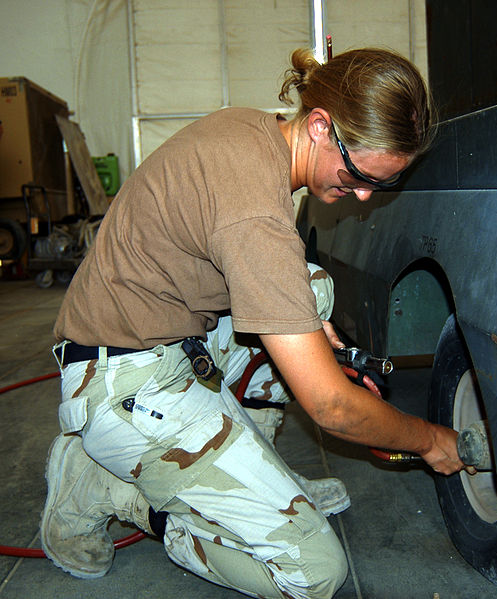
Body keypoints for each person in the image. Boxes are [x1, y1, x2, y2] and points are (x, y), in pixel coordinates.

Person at [40, 47, 467, 599]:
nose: (363, 195)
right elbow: (332, 408)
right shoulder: (254, 215)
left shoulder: (254, 134)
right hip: (122, 384)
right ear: (319, 126)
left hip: (165, 338)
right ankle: (109, 489)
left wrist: (313, 337)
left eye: (381, 185)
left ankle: (255, 470)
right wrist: (430, 440)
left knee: (309, 289)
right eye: (360, 174)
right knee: (311, 573)